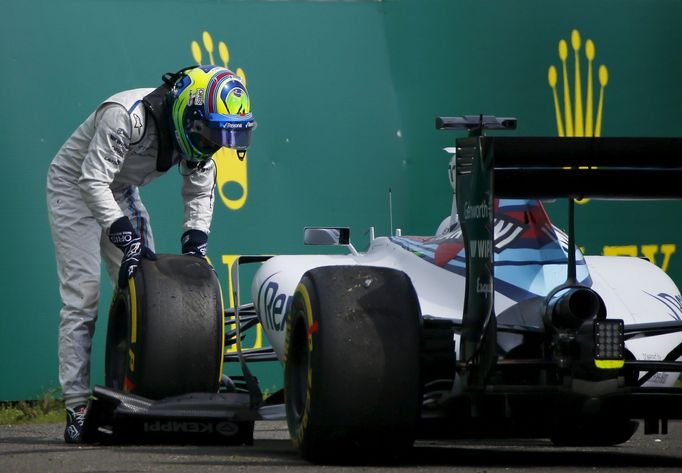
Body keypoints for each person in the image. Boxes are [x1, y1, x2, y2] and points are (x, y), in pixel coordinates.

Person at [46, 65, 255, 443]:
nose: (215, 143)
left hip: (120, 186)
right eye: (211, 131)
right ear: (188, 115)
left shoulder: (197, 135)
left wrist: (196, 243)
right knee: (83, 297)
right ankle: (77, 407)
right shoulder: (126, 117)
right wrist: (123, 235)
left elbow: (199, 194)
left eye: (223, 135)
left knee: (152, 291)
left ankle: (155, 386)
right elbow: (92, 181)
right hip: (75, 186)